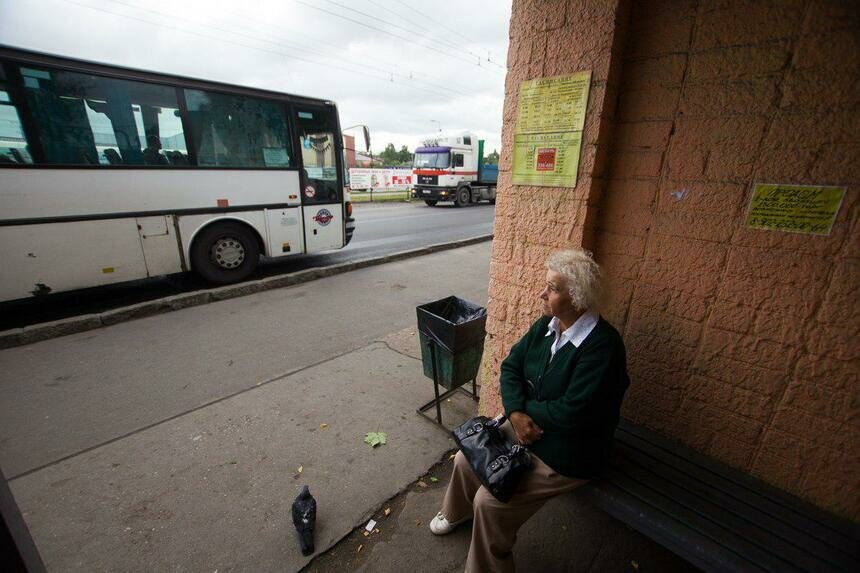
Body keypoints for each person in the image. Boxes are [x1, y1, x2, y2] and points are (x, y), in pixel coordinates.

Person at [430, 248, 630, 572]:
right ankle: (456, 512)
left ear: (577, 299)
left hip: (569, 451)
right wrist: (515, 412)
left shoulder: (603, 348)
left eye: (552, 288)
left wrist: (523, 413)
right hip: (528, 426)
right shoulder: (548, 325)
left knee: (490, 502)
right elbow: (511, 367)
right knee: (466, 459)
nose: (542, 293)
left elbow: (573, 412)